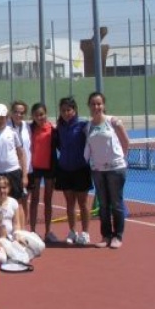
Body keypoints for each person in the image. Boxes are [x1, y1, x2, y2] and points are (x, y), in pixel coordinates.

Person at [84, 91, 132, 249]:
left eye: (99, 103)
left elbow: (126, 142)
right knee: (103, 205)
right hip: (98, 170)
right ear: (89, 106)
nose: (96, 107)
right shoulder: (89, 126)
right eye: (93, 104)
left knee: (116, 204)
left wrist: (120, 159)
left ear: (103, 105)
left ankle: (117, 236)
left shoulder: (114, 122)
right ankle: (106, 236)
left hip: (115, 169)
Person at [52, 96, 93, 246]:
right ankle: (72, 231)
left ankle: (85, 233)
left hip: (81, 169)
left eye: (68, 110)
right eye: (63, 110)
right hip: (64, 169)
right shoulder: (59, 127)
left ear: (74, 110)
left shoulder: (84, 125)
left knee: (82, 204)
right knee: (69, 203)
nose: (66, 113)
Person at [27, 102, 59, 242]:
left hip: (50, 168)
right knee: (34, 200)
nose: (40, 117)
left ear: (45, 114)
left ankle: (48, 232)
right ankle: (33, 231)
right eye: (36, 115)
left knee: (48, 200)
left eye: (42, 114)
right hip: (34, 169)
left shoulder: (52, 129)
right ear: (32, 116)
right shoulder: (29, 129)